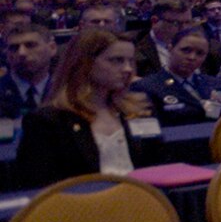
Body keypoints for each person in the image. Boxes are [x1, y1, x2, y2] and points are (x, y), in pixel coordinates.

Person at [15, 28, 162, 188]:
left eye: (131, 61)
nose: (127, 69)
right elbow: (39, 185)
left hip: (142, 201)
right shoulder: (48, 121)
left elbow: (157, 165)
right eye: (117, 60)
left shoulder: (141, 110)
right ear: (85, 63)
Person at [132, 27, 221, 126]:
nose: (192, 57)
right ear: (170, 49)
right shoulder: (147, 87)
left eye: (200, 53)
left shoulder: (215, 84)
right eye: (186, 50)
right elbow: (145, 132)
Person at [2, 25, 59, 119]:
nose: (21, 53)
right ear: (7, 54)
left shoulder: (67, 92)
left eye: (30, 45)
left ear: (52, 48)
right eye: (14, 48)